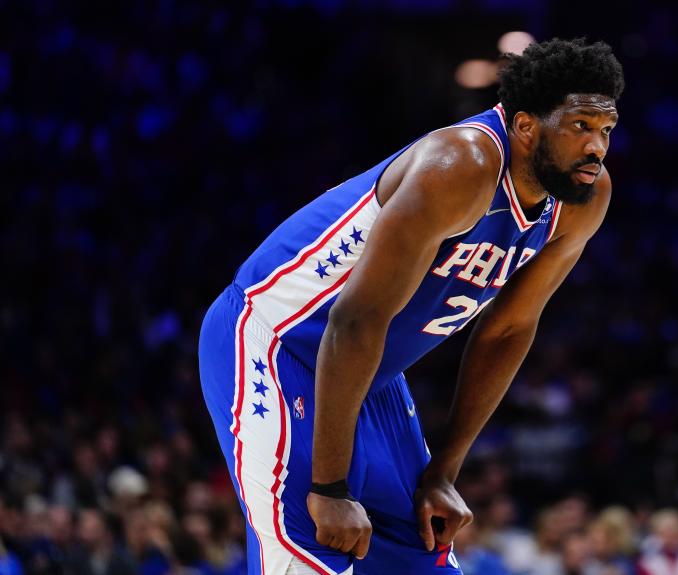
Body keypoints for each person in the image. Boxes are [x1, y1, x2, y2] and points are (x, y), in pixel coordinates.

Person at [197, 38, 624, 575]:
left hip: (364, 369)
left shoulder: (582, 201)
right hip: (274, 341)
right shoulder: (461, 165)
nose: (596, 147)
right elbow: (354, 318)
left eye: (605, 130)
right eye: (580, 127)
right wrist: (330, 485)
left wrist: (442, 471)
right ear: (525, 127)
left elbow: (508, 329)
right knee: (311, 554)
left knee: (423, 561)